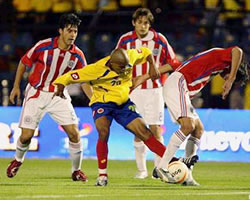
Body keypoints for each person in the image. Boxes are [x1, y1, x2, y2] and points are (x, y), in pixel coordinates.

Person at [53, 47, 197, 186]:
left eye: (126, 66)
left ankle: (172, 161)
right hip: (102, 104)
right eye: (121, 67)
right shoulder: (95, 69)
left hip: (123, 104)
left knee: (145, 132)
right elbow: (68, 76)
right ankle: (102, 175)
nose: (124, 69)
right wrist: (60, 85)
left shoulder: (130, 57)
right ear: (112, 63)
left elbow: (146, 52)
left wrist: (152, 65)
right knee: (103, 132)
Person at [133, 46, 248, 185]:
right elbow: (238, 51)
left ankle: (187, 175)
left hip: (180, 87)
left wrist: (144, 77)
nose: (225, 79)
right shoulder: (222, 57)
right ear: (231, 70)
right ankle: (162, 167)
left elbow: (175, 65)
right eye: (228, 77)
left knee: (198, 129)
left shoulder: (213, 63)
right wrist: (232, 78)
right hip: (178, 84)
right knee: (188, 126)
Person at [6, 13, 91, 182]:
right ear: (60, 31)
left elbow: (84, 81)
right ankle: (18, 160)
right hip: (36, 93)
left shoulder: (78, 55)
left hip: (58, 95)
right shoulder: (43, 46)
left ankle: (76, 171)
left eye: (75, 31)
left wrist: (94, 101)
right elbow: (24, 62)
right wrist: (16, 87)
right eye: (69, 30)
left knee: (74, 134)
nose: (73, 34)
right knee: (26, 136)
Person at [116, 8, 180, 179]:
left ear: (150, 25)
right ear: (133, 23)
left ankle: (159, 168)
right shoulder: (125, 40)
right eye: (139, 22)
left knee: (156, 130)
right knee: (139, 131)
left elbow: (173, 63)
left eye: (146, 23)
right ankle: (141, 170)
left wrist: (154, 72)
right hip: (132, 91)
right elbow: (115, 62)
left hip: (154, 90)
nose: (143, 26)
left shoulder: (159, 40)